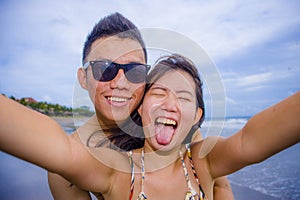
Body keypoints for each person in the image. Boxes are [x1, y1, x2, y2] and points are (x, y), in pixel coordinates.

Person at [0, 54, 299, 199]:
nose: (170, 102)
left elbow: (250, 140)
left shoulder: (203, 162)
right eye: (159, 92)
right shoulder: (117, 172)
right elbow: (61, 150)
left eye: (183, 97)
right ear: (140, 107)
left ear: (196, 116)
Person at [47, 13, 233, 199]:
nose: (120, 83)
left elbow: (220, 185)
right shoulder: (66, 164)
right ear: (83, 78)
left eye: (134, 71)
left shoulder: (167, 119)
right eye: (105, 69)